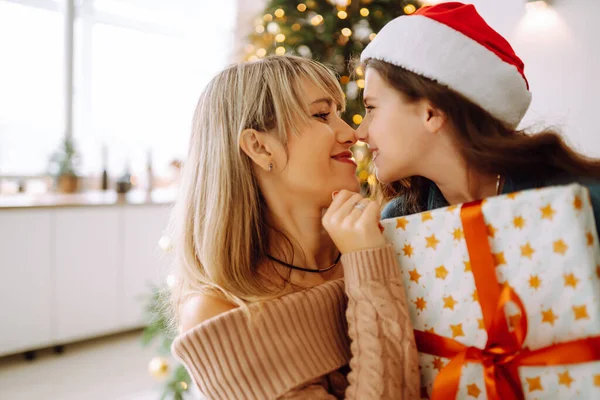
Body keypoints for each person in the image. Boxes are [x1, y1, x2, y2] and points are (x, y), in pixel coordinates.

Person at [168, 55, 420, 399]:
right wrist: (368, 265)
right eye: (321, 114)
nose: (351, 133)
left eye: (339, 113)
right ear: (259, 146)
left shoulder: (383, 235)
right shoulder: (218, 312)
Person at [356, 2, 600, 231]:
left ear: (431, 113)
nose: (359, 132)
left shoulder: (580, 203)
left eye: (371, 108)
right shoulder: (398, 224)